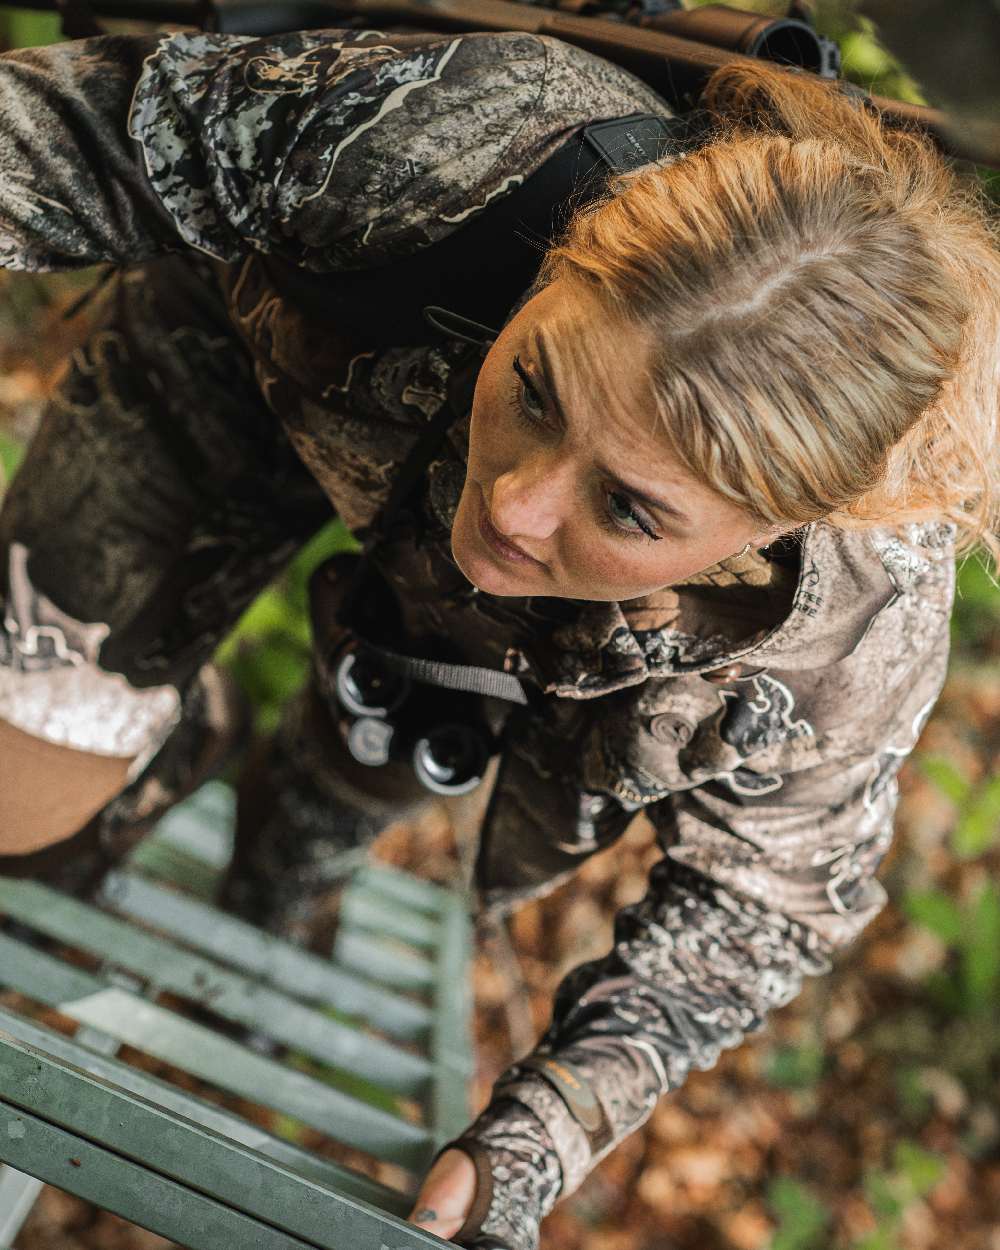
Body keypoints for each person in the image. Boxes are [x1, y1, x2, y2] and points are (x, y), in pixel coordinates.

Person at [0, 15, 998, 1250]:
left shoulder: (851, 616)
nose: (518, 501)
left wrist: (542, 1129)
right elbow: (61, 133)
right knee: (13, 806)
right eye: (540, 386)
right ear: (565, 260)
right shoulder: (441, 142)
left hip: (520, 643)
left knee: (371, 753)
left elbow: (768, 901)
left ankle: (285, 866)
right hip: (279, 360)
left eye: (629, 502)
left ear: (787, 520)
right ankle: (157, 727)